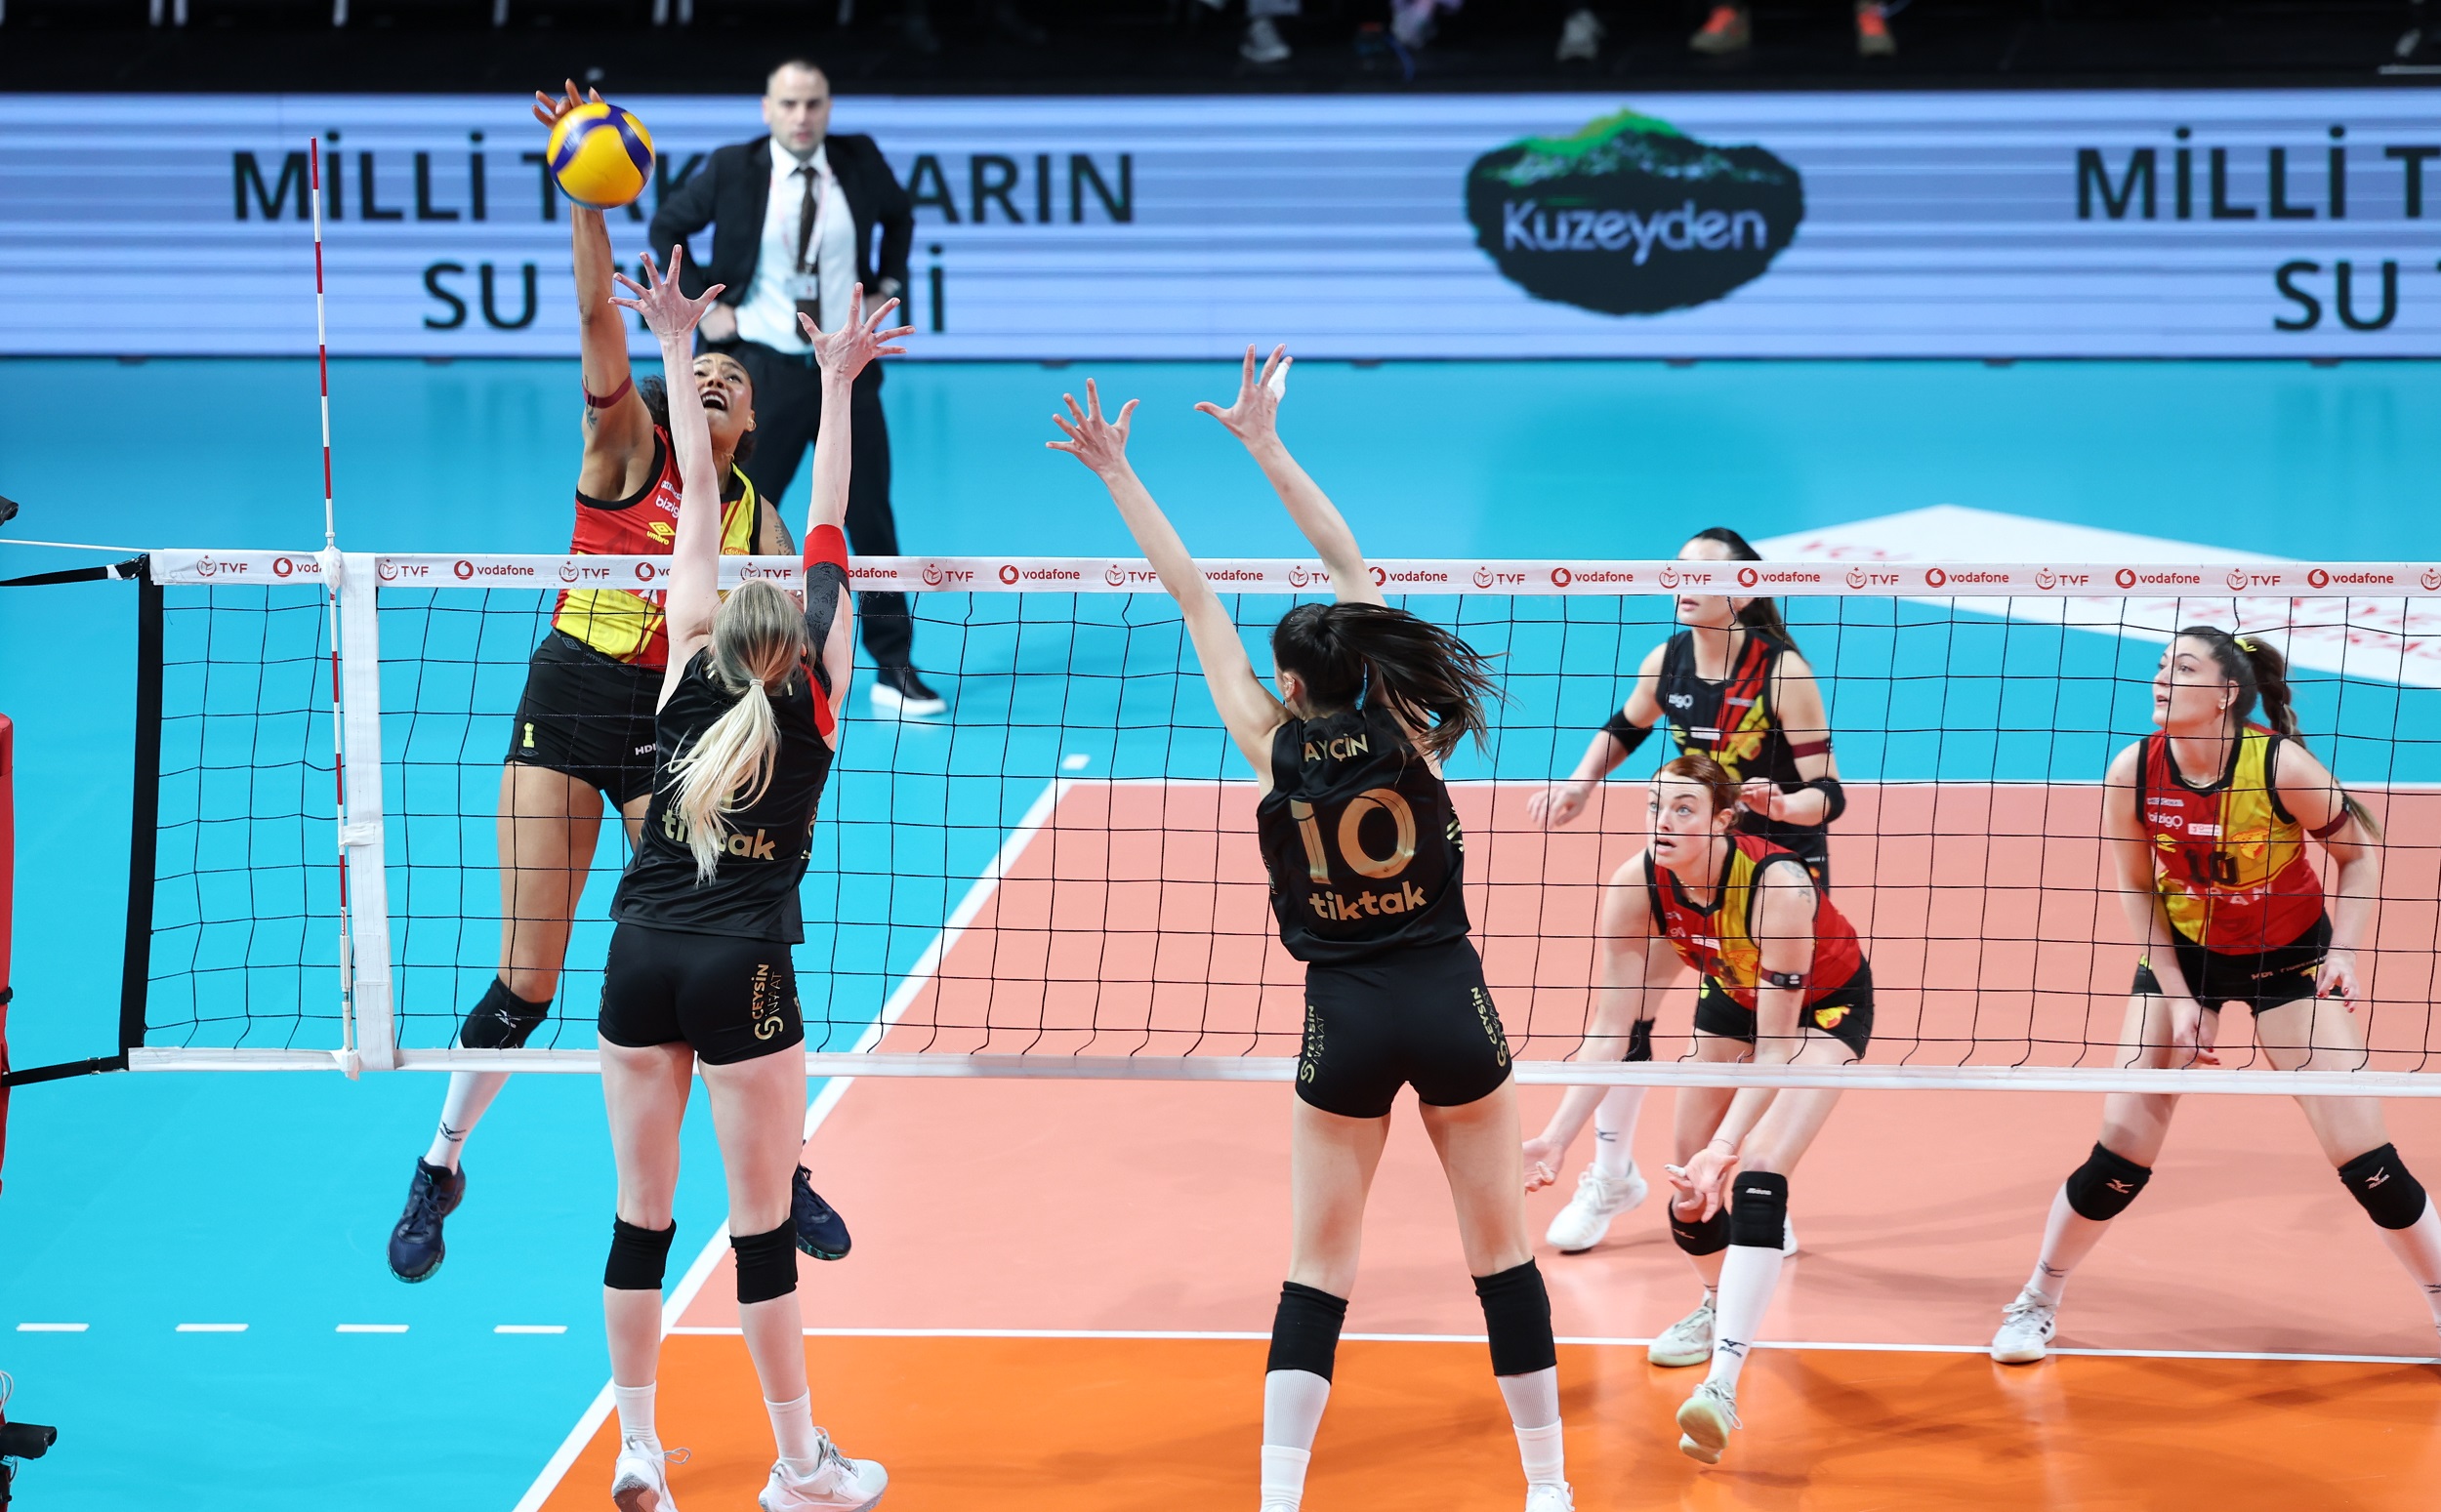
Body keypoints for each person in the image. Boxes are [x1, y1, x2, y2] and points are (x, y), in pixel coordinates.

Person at [1051, 347, 1572, 1512]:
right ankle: (1547, 1488)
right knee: (1502, 1260)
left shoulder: (1267, 741)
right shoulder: (1408, 726)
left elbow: (1193, 594)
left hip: (1344, 1019)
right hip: (1452, 1005)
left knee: (1318, 1272)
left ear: (1289, 685)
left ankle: (1279, 1499)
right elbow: (1344, 559)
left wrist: (1118, 472)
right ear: (1358, 664)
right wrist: (1266, 442)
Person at [387, 82, 847, 1287]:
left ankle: (785, 1163)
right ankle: (440, 1163)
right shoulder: (627, 445)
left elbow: (792, 633)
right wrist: (585, 191)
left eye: (734, 380)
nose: (714, 380)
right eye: (703, 371)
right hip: (567, 701)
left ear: (752, 423)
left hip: (671, 736)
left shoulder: (755, 517)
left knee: (729, 935)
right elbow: (598, 315)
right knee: (527, 977)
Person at [594, 249, 908, 1512]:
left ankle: (636, 1449)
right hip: (744, 971)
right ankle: (799, 1465)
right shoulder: (818, 705)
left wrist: (675, 347)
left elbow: (697, 497)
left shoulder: (682, 667)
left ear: (717, 629)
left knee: (640, 1218)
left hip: (637, 955)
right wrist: (836, 382)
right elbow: (824, 524)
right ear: (812, 648)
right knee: (761, 1226)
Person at [1990, 628, 2441, 1364]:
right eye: (2161, 665)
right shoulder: (2134, 770)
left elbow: (2359, 854)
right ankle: (2037, 1299)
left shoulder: (2280, 766)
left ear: (2227, 693)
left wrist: (2345, 953)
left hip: (2289, 959)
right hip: (2186, 958)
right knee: (2119, 1154)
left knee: (2368, 1161)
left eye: (2183, 667)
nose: (2161, 677)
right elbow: (2137, 888)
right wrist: (2177, 996)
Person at [1521, 526, 1841, 1256]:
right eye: (1679, 571)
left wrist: (1784, 804)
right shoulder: (1666, 661)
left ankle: (1755, 1182)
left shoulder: (1782, 674)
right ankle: (1610, 1176)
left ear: (1743, 591)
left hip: (1770, 879)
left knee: (1762, 1040)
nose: (1683, 583)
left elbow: (1829, 792)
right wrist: (1580, 784)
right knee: (1625, 1016)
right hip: (1689, 861)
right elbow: (1628, 725)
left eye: (1702, 573)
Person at [1575, 753, 1872, 1464]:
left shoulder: (1779, 885)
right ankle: (1716, 1302)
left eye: (1683, 809)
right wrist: (1556, 1138)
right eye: (1656, 806)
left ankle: (1723, 1383)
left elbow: (1777, 1046)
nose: (1664, 821)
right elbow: (1610, 1030)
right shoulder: (1637, 881)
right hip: (1732, 994)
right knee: (1690, 1182)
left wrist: (1728, 1147)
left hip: (1821, 1009)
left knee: (1758, 1171)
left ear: (1722, 820)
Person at [648, 58, 944, 719]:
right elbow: (667, 226)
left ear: (828, 107)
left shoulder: (859, 161)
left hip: (843, 368)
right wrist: (707, 306)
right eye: (788, 104)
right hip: (766, 366)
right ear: (767, 109)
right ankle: (725, 659)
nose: (801, 116)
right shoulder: (733, 167)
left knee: (869, 516)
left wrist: (891, 281)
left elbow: (900, 217)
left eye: (812, 103)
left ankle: (893, 667)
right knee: (740, 513)